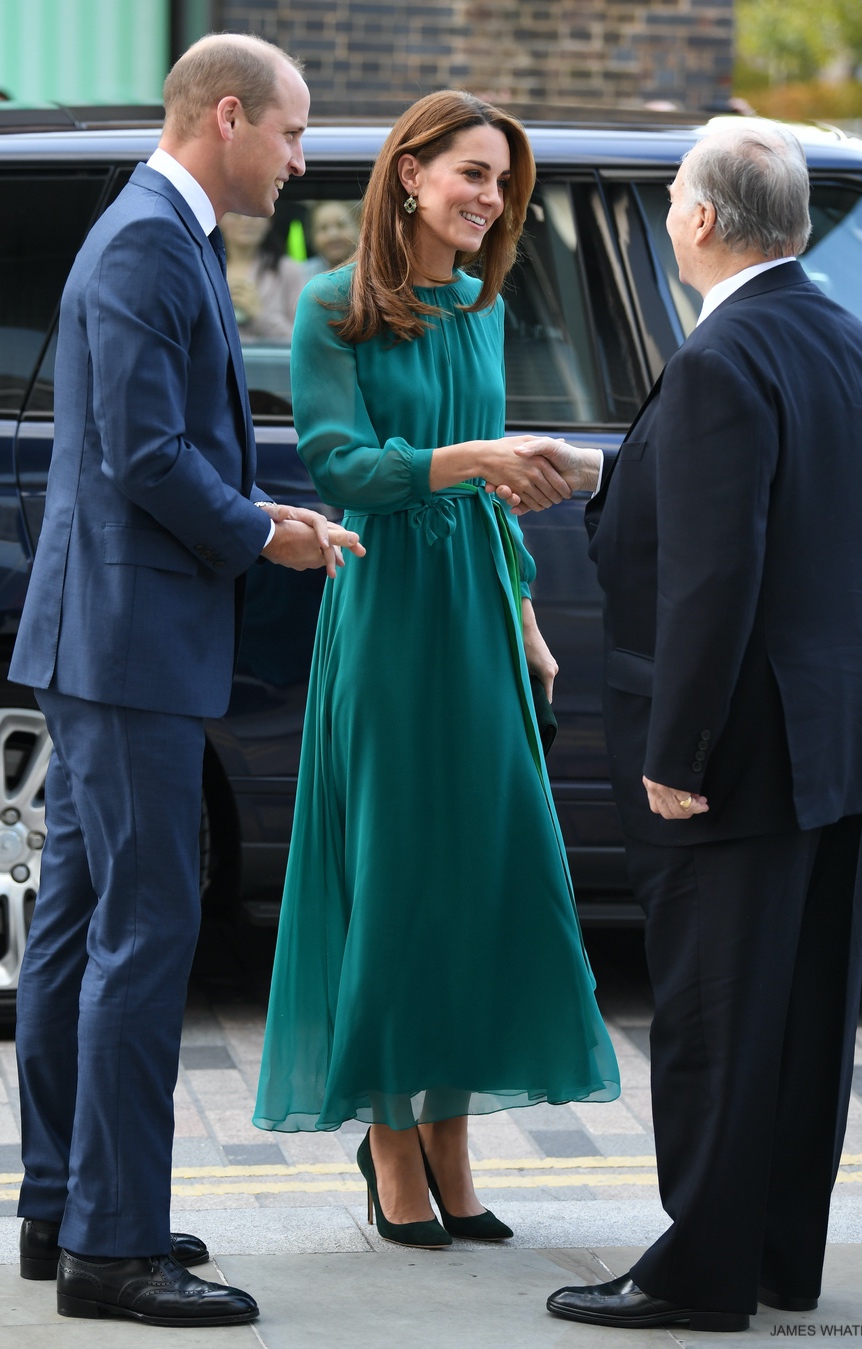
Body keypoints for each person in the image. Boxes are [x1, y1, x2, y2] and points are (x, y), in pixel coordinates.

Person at [10, 32, 364, 1329]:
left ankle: (65, 1208)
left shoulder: (157, 234)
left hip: (108, 638)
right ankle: (114, 1246)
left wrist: (265, 508)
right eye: (293, 131)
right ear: (229, 115)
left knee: (78, 932)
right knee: (145, 935)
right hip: (128, 647)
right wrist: (267, 530)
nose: (302, 156)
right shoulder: (152, 243)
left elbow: (157, 449)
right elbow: (147, 457)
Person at [526, 124, 862, 1331]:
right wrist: (615, 472)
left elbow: (712, 578)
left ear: (698, 219)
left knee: (715, 1014)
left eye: (679, 193)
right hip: (838, 728)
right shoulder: (841, 334)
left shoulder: (721, 357)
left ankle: (699, 1273)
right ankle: (780, 1252)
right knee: (800, 1014)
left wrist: (673, 756)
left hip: (738, 746)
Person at [253, 89, 620, 1248]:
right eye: (472, 172)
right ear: (408, 174)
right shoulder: (332, 309)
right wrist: (467, 459)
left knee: (481, 875)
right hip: (391, 618)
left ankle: (453, 1137)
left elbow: (501, 498)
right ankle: (392, 1137)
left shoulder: (482, 306)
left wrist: (526, 615)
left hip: (476, 613)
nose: (491, 198)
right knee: (400, 877)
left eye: (503, 181)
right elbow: (340, 467)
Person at [219, 210, 306, 341]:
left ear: (269, 221)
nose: (246, 221)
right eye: (236, 214)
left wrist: (259, 315)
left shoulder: (288, 270)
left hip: (271, 360)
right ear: (219, 219)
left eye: (255, 215)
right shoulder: (204, 267)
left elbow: (301, 341)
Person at [296, 198, 360, 288]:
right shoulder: (303, 275)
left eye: (340, 225)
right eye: (323, 228)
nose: (333, 235)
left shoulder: (371, 270)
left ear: (358, 228)